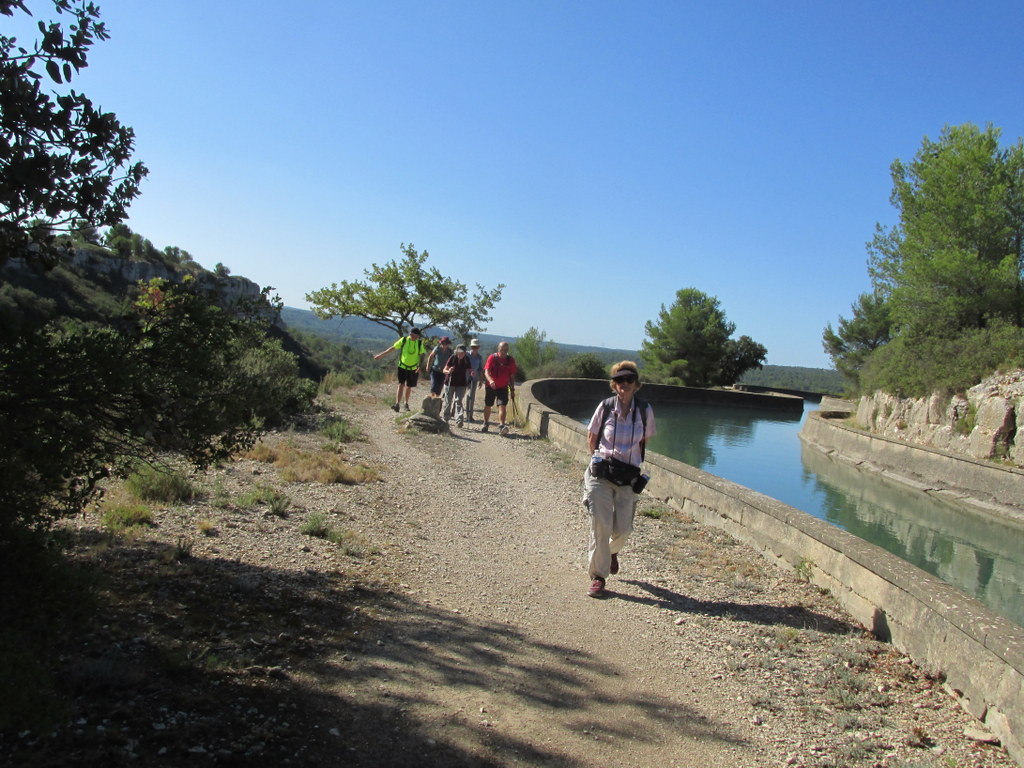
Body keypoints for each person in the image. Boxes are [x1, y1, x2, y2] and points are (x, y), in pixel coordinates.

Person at [583, 361, 656, 598]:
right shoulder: (604, 408)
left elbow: (643, 443)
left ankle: (611, 552)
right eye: (620, 381)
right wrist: (598, 461)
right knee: (601, 525)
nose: (624, 385)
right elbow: (592, 438)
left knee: (623, 529)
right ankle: (598, 576)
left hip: (628, 477)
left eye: (629, 381)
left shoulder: (645, 411)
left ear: (637, 385)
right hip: (602, 475)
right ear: (614, 385)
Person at [374, 327, 427, 412]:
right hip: (402, 366)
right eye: (411, 334)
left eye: (414, 335)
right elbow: (393, 348)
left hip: (413, 368)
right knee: (401, 384)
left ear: (418, 336)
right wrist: (381, 355)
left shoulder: (419, 343)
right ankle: (397, 404)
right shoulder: (404, 340)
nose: (412, 336)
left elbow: (422, 355)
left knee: (409, 387)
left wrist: (419, 366)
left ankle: (406, 404)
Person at [481, 340, 517, 435]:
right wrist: (491, 380)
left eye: (505, 350)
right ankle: (485, 422)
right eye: (501, 350)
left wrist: (512, 390)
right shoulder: (492, 358)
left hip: (504, 387)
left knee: (502, 405)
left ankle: (501, 425)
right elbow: (486, 371)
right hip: (491, 386)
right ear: (498, 349)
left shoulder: (510, 360)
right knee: (488, 405)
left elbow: (512, 376)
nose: (503, 352)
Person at [441, 344, 473, 427]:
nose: (460, 354)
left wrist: (471, 373)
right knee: (448, 400)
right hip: (450, 382)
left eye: (462, 352)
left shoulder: (466, 359)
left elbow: (470, 370)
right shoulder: (452, 358)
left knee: (458, 401)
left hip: (461, 383)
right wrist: (449, 371)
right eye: (459, 352)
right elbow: (444, 370)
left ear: (465, 353)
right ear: (456, 352)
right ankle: (446, 418)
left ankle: (459, 420)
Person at [464, 339, 485, 422]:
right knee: (460, 395)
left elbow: (480, 369)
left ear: (478, 347)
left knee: (471, 396)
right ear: (471, 347)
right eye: (473, 347)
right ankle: (454, 411)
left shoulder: (479, 357)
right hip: (464, 378)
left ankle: (469, 415)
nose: (474, 348)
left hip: (474, 379)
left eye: (476, 347)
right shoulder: (466, 355)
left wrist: (481, 380)